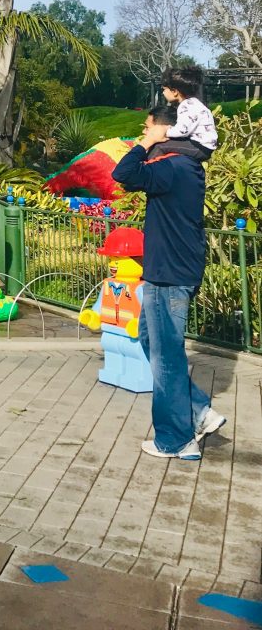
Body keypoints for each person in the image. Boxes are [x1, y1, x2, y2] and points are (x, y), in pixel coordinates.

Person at [112, 104, 226, 461]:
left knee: (166, 359)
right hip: (174, 271)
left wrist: (147, 143)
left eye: (147, 127)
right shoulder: (185, 167)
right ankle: (198, 412)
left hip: (168, 277)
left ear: (165, 130)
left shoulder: (172, 167)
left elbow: (124, 173)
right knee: (152, 342)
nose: (143, 132)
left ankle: (176, 441)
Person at [160, 66, 218, 161]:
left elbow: (182, 131)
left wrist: (165, 131)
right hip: (203, 146)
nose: (163, 93)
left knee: (160, 146)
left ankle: (148, 169)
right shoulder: (193, 103)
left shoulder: (186, 105)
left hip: (200, 147)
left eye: (164, 89)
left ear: (174, 92)